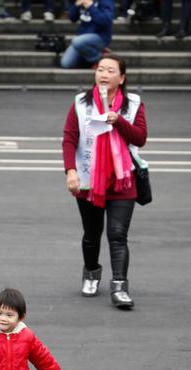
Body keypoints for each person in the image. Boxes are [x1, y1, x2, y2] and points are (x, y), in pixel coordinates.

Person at [62, 54, 147, 309]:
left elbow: (140, 137)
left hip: (123, 180)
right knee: (91, 233)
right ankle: (91, 271)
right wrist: (71, 171)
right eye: (100, 69)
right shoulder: (81, 103)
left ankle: (119, 286)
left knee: (117, 235)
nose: (104, 74)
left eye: (111, 70)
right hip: (88, 178)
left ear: (121, 78)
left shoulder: (133, 104)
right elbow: (69, 138)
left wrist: (117, 119)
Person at [60, 0, 113, 69]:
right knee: (66, 64)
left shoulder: (105, 1)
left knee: (77, 41)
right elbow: (73, 18)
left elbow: (106, 21)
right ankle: (93, 55)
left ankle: (100, 59)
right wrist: (76, 6)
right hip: (82, 37)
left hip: (100, 36)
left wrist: (91, 7)